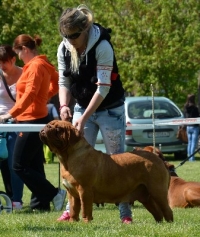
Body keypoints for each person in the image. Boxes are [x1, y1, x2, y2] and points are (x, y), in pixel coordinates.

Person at [57, 5, 132, 223]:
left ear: (85, 29)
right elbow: (64, 81)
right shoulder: (63, 48)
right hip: (81, 107)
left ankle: (125, 213)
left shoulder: (103, 46)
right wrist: (64, 106)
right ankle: (72, 212)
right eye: (66, 35)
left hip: (110, 109)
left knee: (118, 163)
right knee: (73, 162)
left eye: (74, 35)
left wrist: (84, 117)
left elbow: (103, 88)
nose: (70, 40)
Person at [0, 34, 66, 211]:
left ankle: (54, 194)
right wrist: (45, 97)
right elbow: (57, 81)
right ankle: (40, 204)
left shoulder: (36, 66)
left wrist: (9, 114)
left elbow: (30, 94)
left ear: (25, 50)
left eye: (19, 54)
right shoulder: (42, 64)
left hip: (31, 119)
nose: (19, 58)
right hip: (37, 117)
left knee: (18, 165)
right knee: (35, 164)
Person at [0, 45, 24, 210]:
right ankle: (8, 198)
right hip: (0, 123)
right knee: (3, 160)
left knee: (14, 162)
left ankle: (17, 200)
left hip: (17, 122)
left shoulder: (24, 74)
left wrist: (16, 116)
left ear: (13, 59)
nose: (2, 66)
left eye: (4, 62)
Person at [183, 94, 200, 161]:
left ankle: (189, 156)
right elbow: (197, 116)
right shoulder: (195, 108)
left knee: (189, 142)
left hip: (188, 126)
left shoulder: (185, 107)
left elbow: (184, 116)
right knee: (193, 143)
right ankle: (192, 158)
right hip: (195, 127)